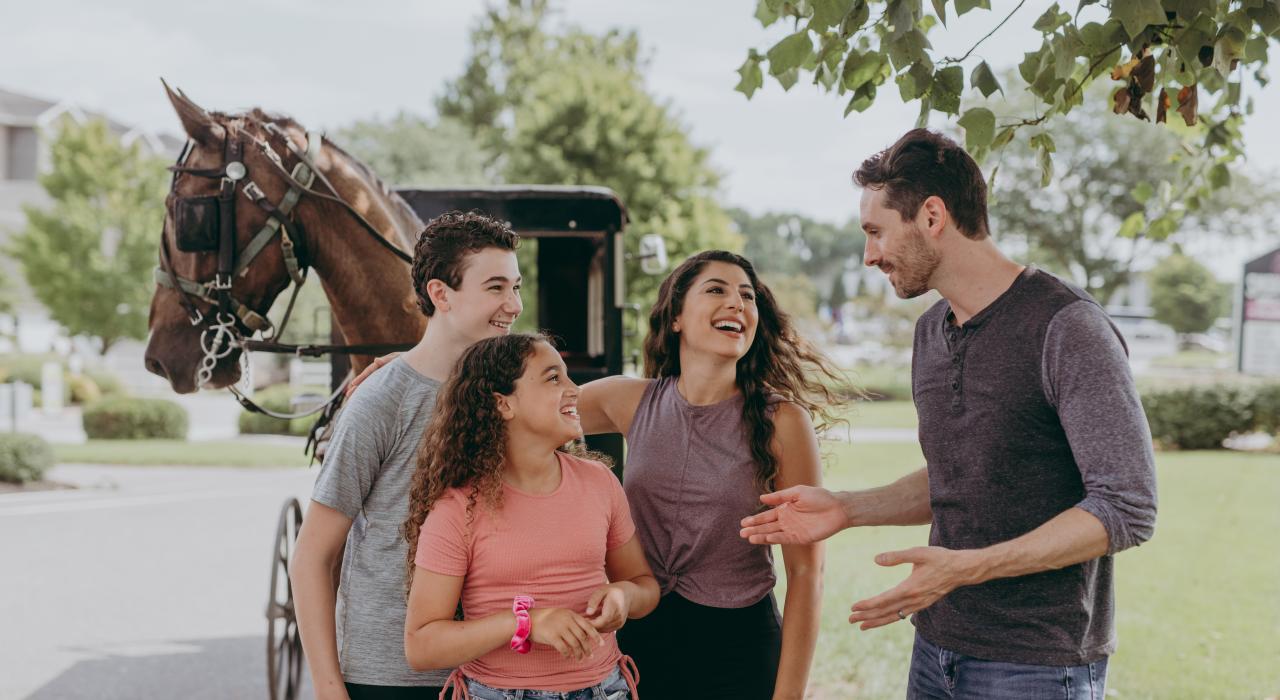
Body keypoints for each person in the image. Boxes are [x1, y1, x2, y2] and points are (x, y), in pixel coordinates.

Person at [740, 129, 1159, 699]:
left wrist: (965, 568)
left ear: (932, 215)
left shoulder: (1066, 327)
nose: (869, 255)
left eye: (875, 231)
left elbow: (1127, 506)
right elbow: (965, 474)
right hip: (936, 649)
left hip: (1037, 665)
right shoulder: (929, 333)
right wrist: (848, 507)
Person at [352, 250, 842, 699]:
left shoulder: (783, 423)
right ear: (675, 316)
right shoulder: (630, 400)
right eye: (717, 289)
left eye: (747, 295)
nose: (736, 302)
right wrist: (415, 366)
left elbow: (806, 572)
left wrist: (790, 695)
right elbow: (513, 399)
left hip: (736, 641)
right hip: (636, 633)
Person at [293, 211, 523, 700]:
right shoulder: (380, 401)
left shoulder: (511, 395)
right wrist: (329, 689)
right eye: (497, 287)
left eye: (516, 287)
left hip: (495, 676)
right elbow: (313, 556)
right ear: (441, 294)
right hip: (389, 677)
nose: (514, 305)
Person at [403, 333, 660, 699]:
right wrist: (527, 623)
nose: (574, 390)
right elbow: (421, 646)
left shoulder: (600, 482)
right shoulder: (458, 507)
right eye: (554, 378)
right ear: (503, 404)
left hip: (605, 690)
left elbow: (644, 584)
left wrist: (624, 596)